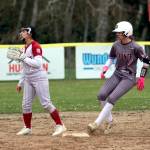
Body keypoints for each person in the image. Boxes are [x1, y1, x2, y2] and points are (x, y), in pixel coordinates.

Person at [87, 21, 149, 134]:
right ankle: (110, 122)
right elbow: (111, 58)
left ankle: (96, 123)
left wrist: (142, 77)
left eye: (119, 32)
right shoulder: (116, 44)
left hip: (129, 78)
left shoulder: (136, 47)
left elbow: (146, 61)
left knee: (111, 98)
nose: (117, 34)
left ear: (126, 33)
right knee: (101, 95)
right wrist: (105, 68)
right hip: (117, 74)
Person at [13, 27, 66, 136]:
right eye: (22, 31)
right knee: (26, 104)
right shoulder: (24, 48)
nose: (22, 33)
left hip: (39, 77)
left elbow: (38, 64)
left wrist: (23, 58)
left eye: (24, 31)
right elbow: (25, 67)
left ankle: (60, 125)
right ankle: (27, 127)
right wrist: (20, 82)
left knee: (46, 103)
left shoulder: (35, 46)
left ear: (30, 34)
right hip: (28, 78)